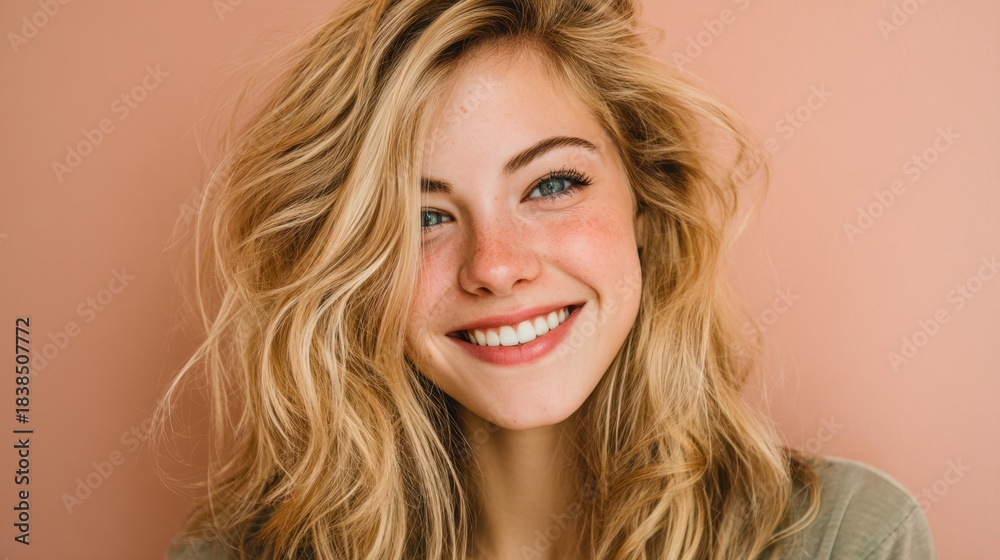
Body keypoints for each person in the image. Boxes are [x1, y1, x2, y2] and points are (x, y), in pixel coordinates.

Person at [156, 0, 936, 558]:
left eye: (552, 185)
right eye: (423, 217)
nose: (495, 265)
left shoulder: (846, 539)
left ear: (646, 200)